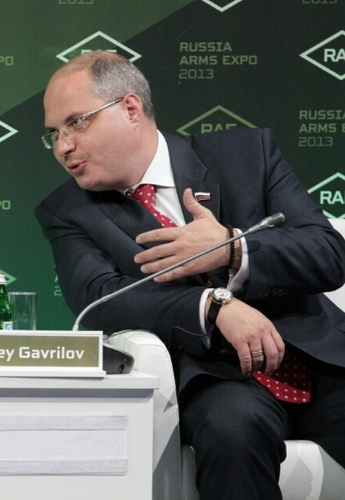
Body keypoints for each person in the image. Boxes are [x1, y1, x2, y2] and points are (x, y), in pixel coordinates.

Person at [35, 50, 345, 499]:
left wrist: (232, 247)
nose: (62, 147)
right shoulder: (68, 211)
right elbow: (99, 300)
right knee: (232, 431)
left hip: (321, 359)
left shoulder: (246, 155)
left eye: (76, 123)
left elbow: (328, 253)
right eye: (54, 134)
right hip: (217, 378)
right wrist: (213, 306)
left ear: (130, 108)